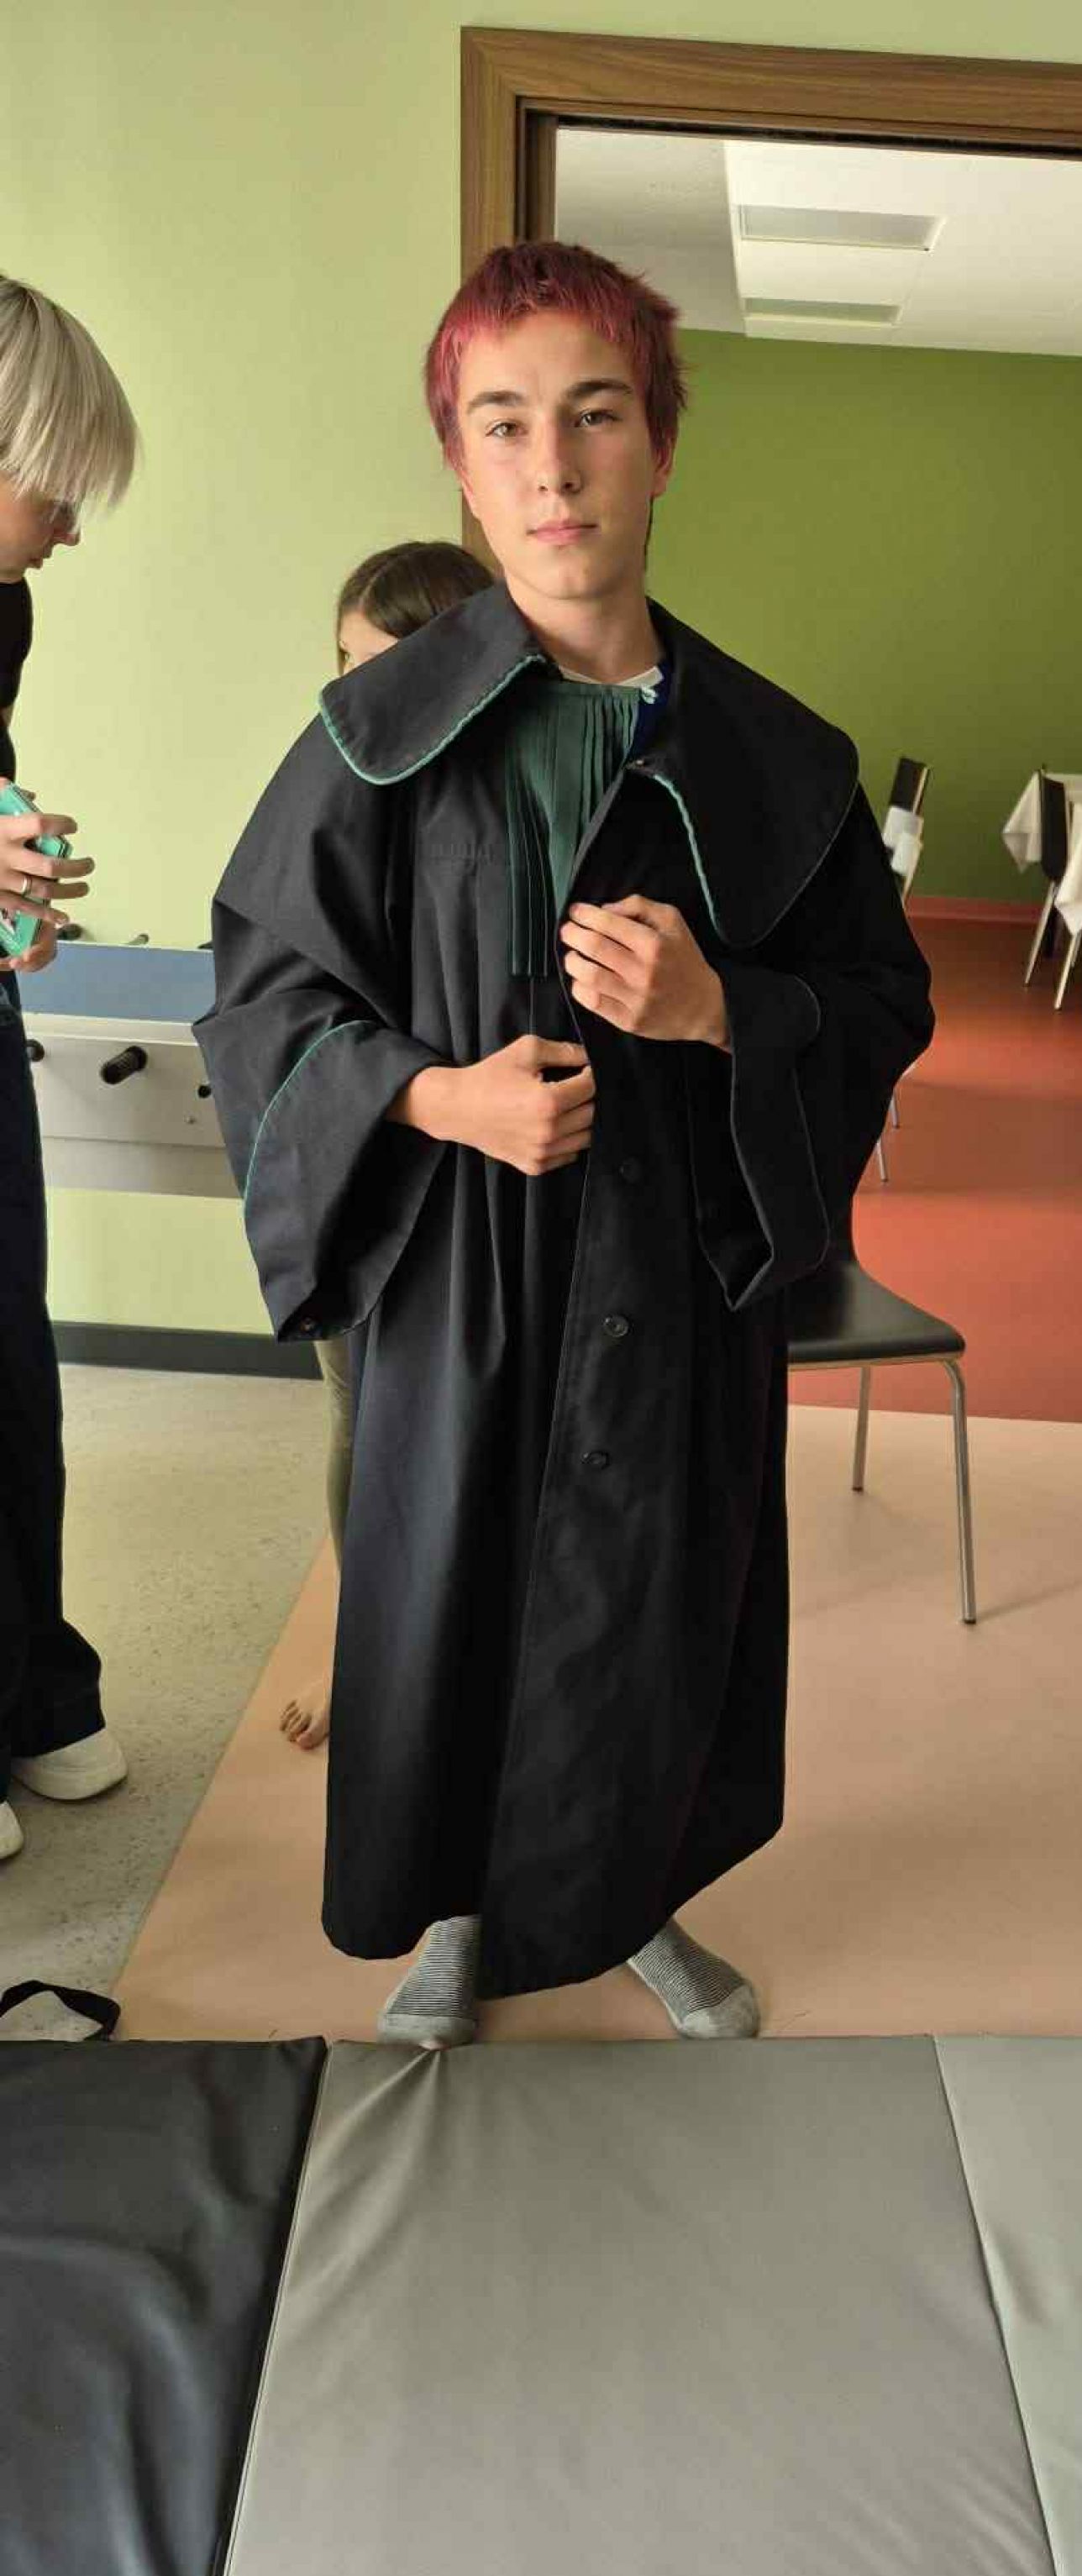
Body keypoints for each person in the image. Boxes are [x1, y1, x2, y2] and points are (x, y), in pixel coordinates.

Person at [198, 240, 932, 2044]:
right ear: (461, 462)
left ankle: (633, 1905)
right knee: (455, 1596)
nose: (554, 468)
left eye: (596, 416)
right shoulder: (376, 741)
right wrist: (437, 1097)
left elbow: (880, 1004)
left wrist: (725, 1011)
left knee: (653, 1602)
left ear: (662, 445)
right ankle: (465, 1917)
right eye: (505, 424)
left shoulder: (780, 757)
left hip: (675, 1277)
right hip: (462, 1274)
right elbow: (264, 997)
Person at [280, 538, 494, 1756]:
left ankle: (468, 1672)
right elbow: (287, 997)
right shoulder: (325, 801)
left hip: (494, 1176)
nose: (350, 698)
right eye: (342, 664)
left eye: (381, 669)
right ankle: (365, 1655)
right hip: (369, 1162)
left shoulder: (522, 801)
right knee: (359, 1419)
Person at [0, 275, 138, 1865]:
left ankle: (33, 1688)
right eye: (57, 491)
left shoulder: (4, 607)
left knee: (10, 1364)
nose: (71, 530)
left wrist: (16, 900)